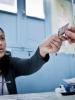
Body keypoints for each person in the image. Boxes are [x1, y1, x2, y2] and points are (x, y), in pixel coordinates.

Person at [0, 27, 66, 95]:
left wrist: (42, 51)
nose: (0, 43)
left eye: (2, 38)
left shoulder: (10, 63)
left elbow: (29, 65)